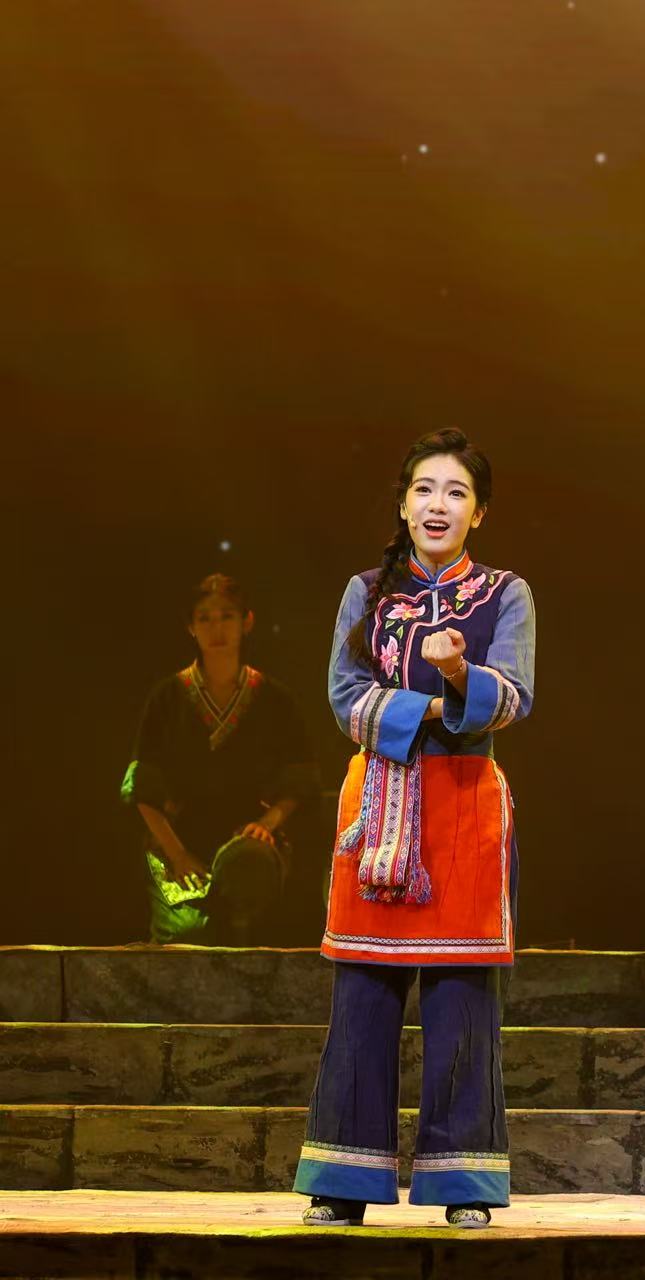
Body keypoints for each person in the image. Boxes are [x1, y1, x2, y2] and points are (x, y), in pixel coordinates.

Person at [295, 429, 535, 1230]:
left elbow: (513, 697)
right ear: (402, 504)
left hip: (464, 808)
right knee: (363, 995)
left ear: (479, 513)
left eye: (457, 492)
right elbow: (344, 697)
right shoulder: (365, 592)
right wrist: (438, 705)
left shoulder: (506, 594)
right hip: (377, 811)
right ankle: (342, 1183)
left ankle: (463, 1185)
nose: (439, 504)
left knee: (462, 999)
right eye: (425, 489)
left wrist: (462, 671)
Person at [121, 574, 316, 945]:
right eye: (205, 618)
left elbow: (300, 778)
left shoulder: (274, 698)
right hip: (179, 841)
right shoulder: (167, 698)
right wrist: (178, 855)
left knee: (262, 925)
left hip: (250, 843)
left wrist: (267, 823)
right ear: (191, 627)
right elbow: (143, 789)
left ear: (247, 622)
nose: (217, 628)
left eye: (227, 616)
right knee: (188, 933)